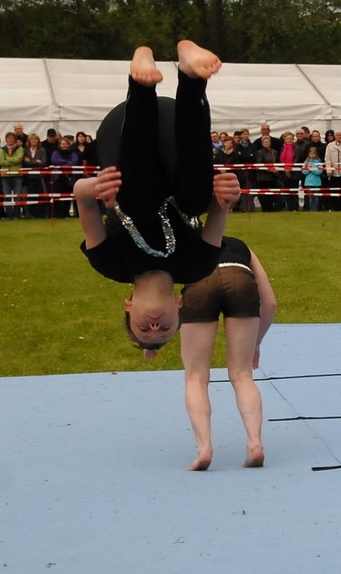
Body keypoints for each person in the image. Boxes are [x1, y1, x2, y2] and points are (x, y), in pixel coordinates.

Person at [74, 43, 240, 354]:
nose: (154, 325)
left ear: (128, 305)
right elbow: (221, 206)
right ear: (179, 305)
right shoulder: (197, 267)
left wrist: (96, 185)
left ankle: (141, 80)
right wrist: (229, 191)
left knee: (139, 205)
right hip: (176, 134)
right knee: (195, 203)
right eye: (163, 328)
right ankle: (191, 75)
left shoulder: (112, 264)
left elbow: (83, 200)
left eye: (144, 327)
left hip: (123, 132)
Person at [179, 236, 275, 470]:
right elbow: (270, 303)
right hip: (240, 279)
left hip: (200, 283)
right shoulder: (242, 246)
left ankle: (204, 449)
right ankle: (255, 443)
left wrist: (152, 341)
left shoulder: (184, 243)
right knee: (242, 374)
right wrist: (256, 342)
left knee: (196, 376)